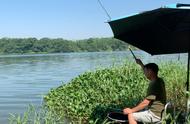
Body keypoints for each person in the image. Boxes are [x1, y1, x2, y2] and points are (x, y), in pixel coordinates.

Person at [123, 58, 166, 124]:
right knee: (137, 111)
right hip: (160, 112)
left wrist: (131, 110)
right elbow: (147, 71)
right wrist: (141, 64)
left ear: (150, 71)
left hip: (154, 115)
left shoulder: (154, 84)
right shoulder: (159, 80)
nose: (144, 73)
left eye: (145, 71)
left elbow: (146, 103)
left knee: (131, 115)